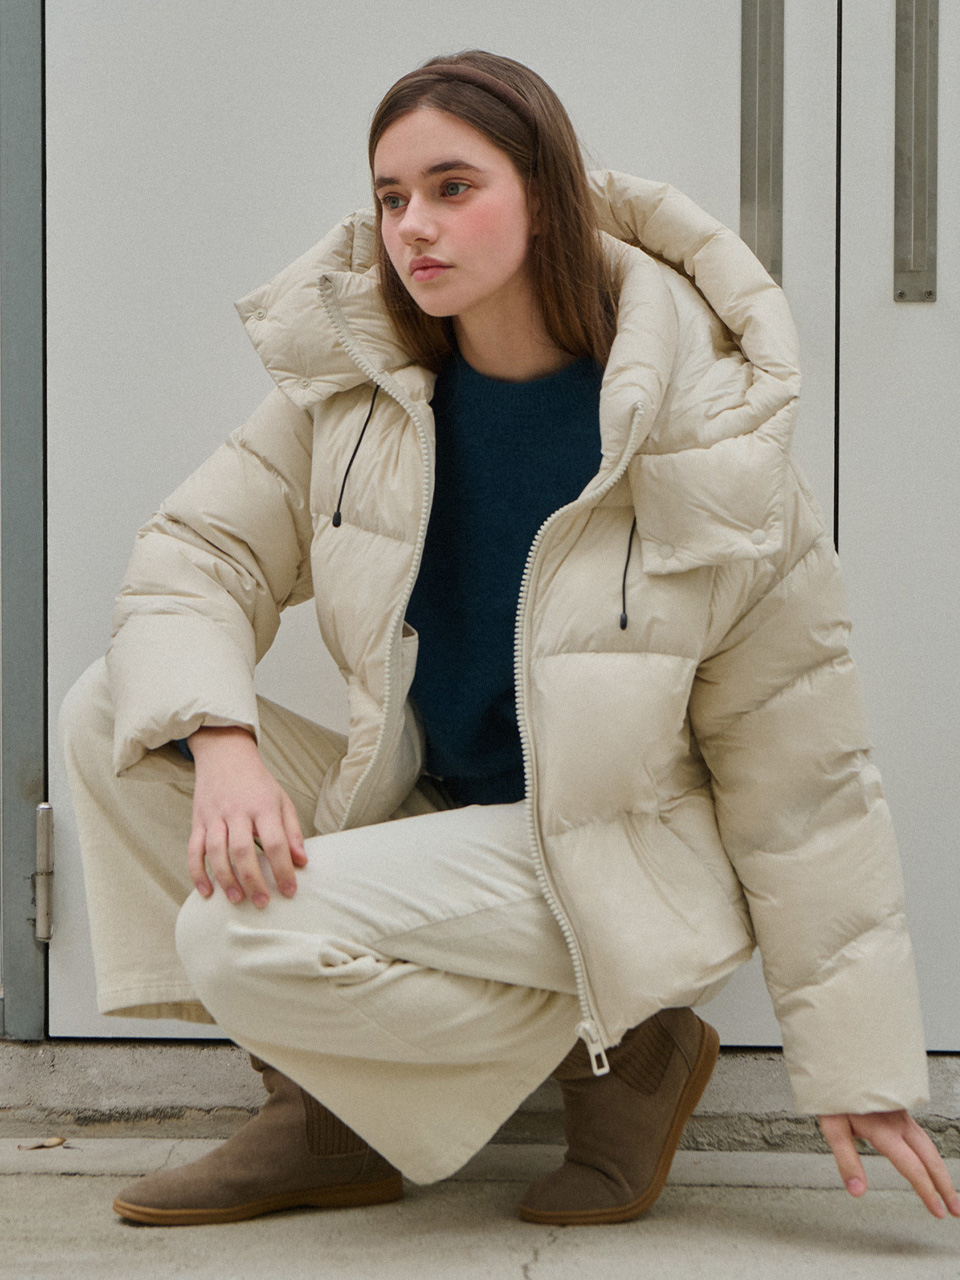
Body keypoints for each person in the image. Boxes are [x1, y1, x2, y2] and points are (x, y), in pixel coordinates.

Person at [61, 50, 959, 1228]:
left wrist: (859, 1065)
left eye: (452, 187)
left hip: (615, 842)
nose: (412, 227)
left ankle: (624, 1045)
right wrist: (223, 740)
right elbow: (197, 553)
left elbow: (806, 775)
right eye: (391, 197)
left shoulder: (700, 432)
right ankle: (327, 1111)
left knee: (234, 932)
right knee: (114, 710)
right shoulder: (366, 385)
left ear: (544, 193)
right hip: (432, 809)